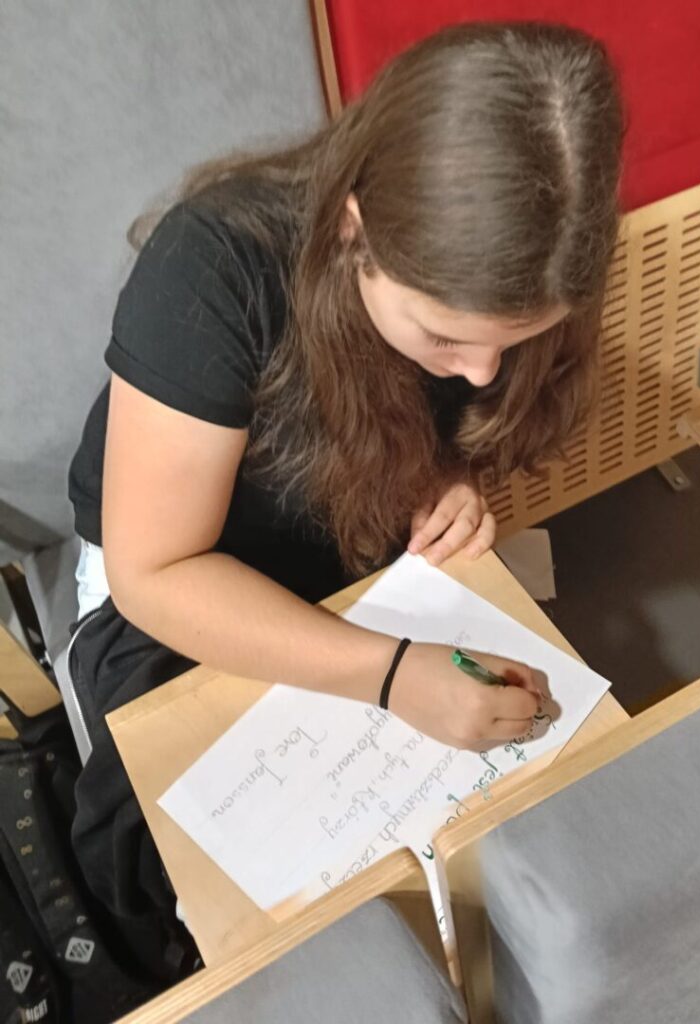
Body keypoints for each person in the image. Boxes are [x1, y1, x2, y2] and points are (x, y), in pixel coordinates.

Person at [67, 20, 623, 982]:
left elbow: (454, 416)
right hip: (181, 584)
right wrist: (391, 675)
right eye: (443, 338)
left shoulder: (525, 267)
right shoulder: (215, 267)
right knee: (294, 925)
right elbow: (154, 573)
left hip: (361, 546)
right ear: (354, 231)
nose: (482, 371)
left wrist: (451, 477)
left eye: (515, 340)